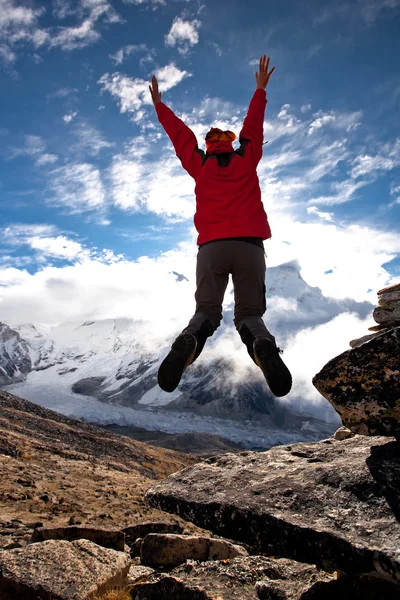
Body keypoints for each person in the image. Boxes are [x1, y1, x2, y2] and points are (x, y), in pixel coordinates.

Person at [149, 54, 292, 398]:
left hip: (211, 247)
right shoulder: (246, 159)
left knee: (207, 312)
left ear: (208, 147)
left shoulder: (200, 165)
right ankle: (260, 343)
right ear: (230, 144)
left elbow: (181, 137)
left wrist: (159, 106)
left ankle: (189, 341)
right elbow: (253, 125)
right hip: (249, 246)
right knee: (248, 313)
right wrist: (259, 90)